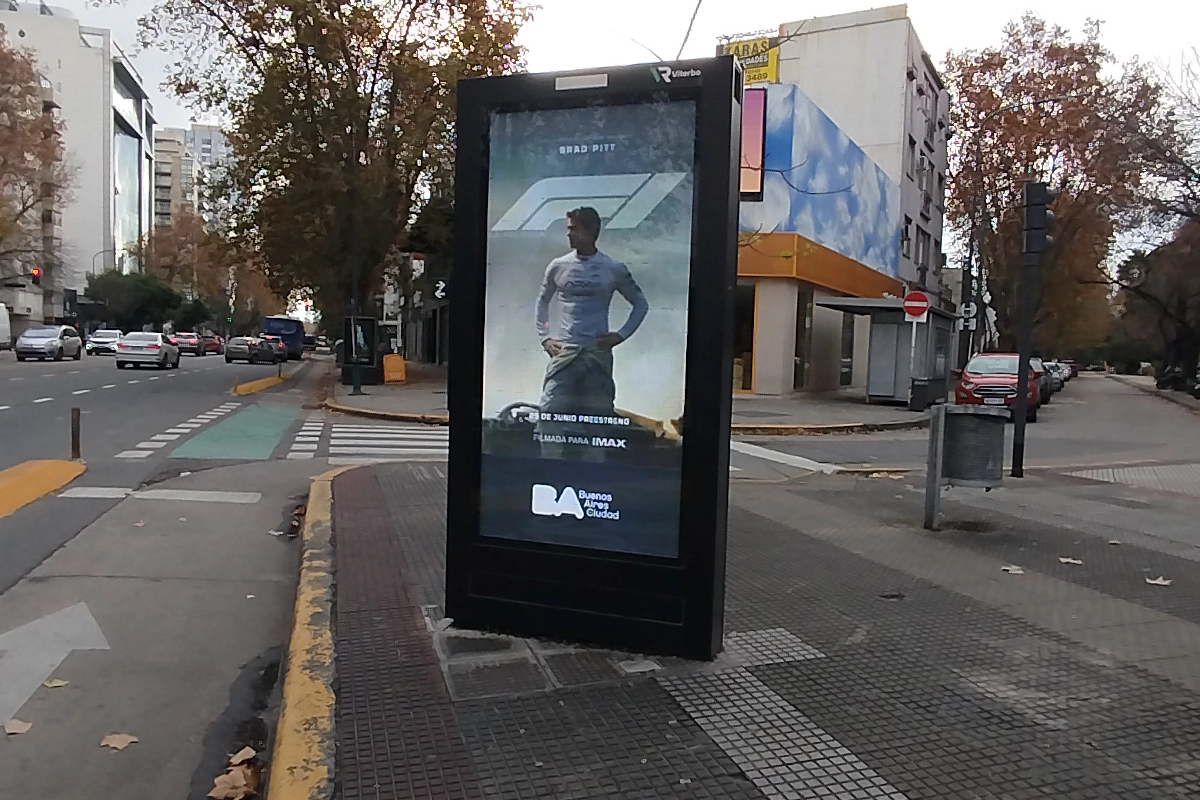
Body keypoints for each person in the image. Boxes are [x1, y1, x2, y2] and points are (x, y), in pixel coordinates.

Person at [534, 206, 648, 460]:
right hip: (565, 353)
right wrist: (545, 338)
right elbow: (542, 302)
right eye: (568, 229)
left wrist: (620, 335)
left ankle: (593, 466)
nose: (569, 234)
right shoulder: (558, 266)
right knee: (550, 411)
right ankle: (550, 464)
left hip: (596, 354)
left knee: (598, 416)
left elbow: (640, 304)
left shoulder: (613, 268)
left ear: (591, 230)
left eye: (574, 229)